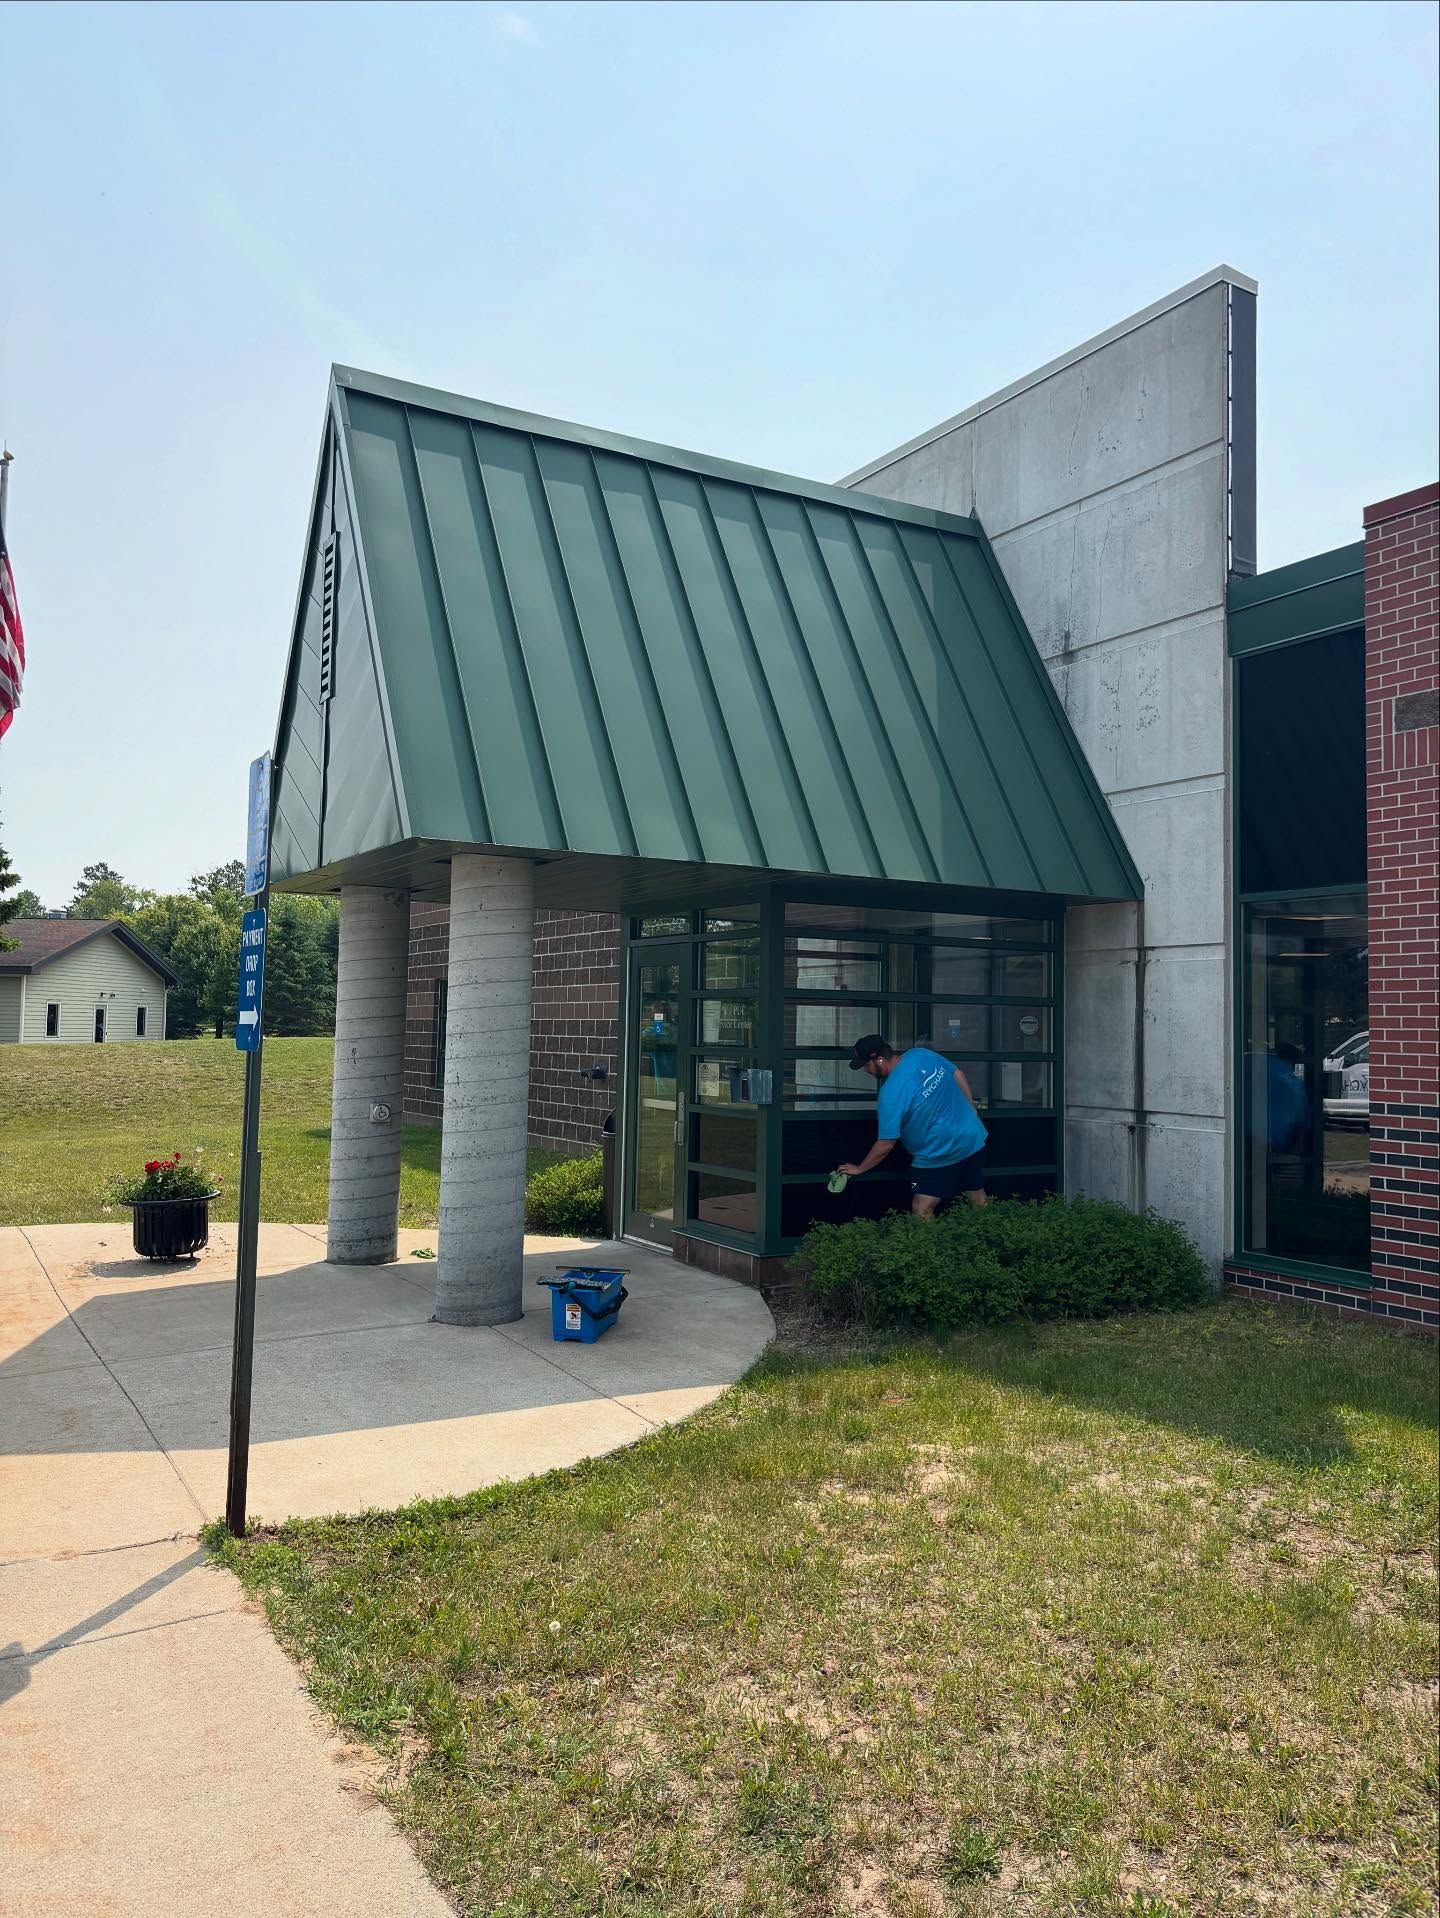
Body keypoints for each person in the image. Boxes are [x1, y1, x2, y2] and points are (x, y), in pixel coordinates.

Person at [836, 1033, 987, 1216]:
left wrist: (860, 1168)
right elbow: (957, 1073)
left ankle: (928, 1246)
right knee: (977, 1198)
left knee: (922, 1208)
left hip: (939, 1151)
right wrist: (970, 1104)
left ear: (880, 1060)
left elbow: (886, 1144)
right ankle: (989, 1239)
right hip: (971, 1137)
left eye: (866, 1065)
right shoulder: (920, 1054)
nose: (866, 1071)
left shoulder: (890, 1093)